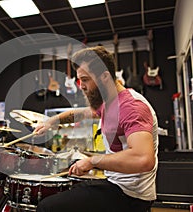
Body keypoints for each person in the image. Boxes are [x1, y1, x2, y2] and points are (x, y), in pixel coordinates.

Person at [33, 46, 158, 212]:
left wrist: (92, 162)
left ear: (105, 76)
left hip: (131, 195)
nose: (81, 86)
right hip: (116, 184)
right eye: (79, 80)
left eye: (85, 79)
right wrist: (52, 121)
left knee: (46, 207)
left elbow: (143, 159)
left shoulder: (131, 107)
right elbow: (84, 113)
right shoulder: (110, 101)